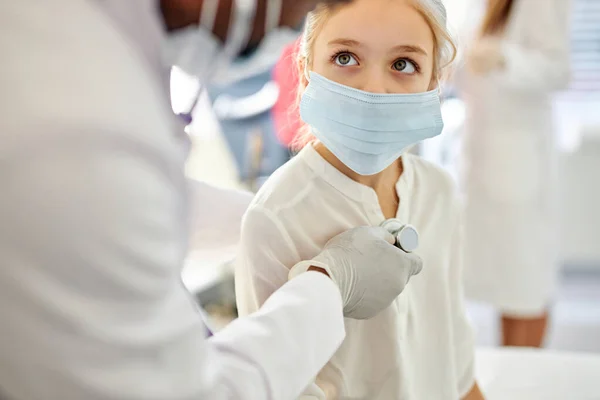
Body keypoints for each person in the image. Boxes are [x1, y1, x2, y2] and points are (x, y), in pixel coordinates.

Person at [0, 1, 423, 399]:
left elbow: (99, 210)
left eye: (404, 63)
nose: (294, 24)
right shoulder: (74, 123)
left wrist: (263, 218)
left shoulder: (81, 46)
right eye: (308, 4)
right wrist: (332, 287)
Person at [235, 0, 485, 398]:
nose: (374, 89)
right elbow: (277, 381)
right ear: (305, 71)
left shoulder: (438, 191)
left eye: (403, 64)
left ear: (434, 82)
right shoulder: (275, 217)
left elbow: (454, 345)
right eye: (346, 57)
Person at [459, 0, 572, 347]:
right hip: (484, 155)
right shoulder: (478, 6)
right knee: (501, 283)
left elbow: (559, 70)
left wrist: (506, 58)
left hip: (521, 162)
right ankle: (508, 377)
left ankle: (526, 377)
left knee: (526, 284)